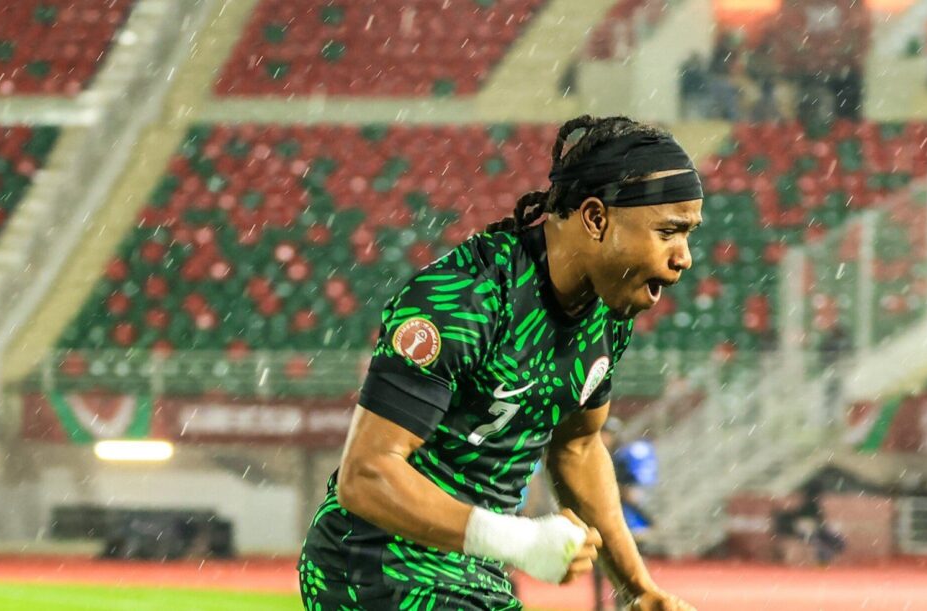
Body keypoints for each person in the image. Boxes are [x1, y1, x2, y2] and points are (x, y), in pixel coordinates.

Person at [298, 115, 702, 610]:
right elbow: (365, 477)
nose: (684, 257)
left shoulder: (606, 313)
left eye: (688, 235)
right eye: (669, 232)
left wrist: (638, 589)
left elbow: (577, 447)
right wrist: (516, 540)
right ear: (596, 219)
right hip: (372, 564)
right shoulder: (464, 299)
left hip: (475, 571)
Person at [594, 417, 660, 609]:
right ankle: (602, 604)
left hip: (624, 518)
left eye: (608, 434)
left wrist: (646, 517)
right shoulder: (598, 456)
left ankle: (625, 604)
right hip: (605, 515)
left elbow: (629, 492)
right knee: (603, 565)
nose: (605, 437)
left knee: (627, 566)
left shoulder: (620, 458)